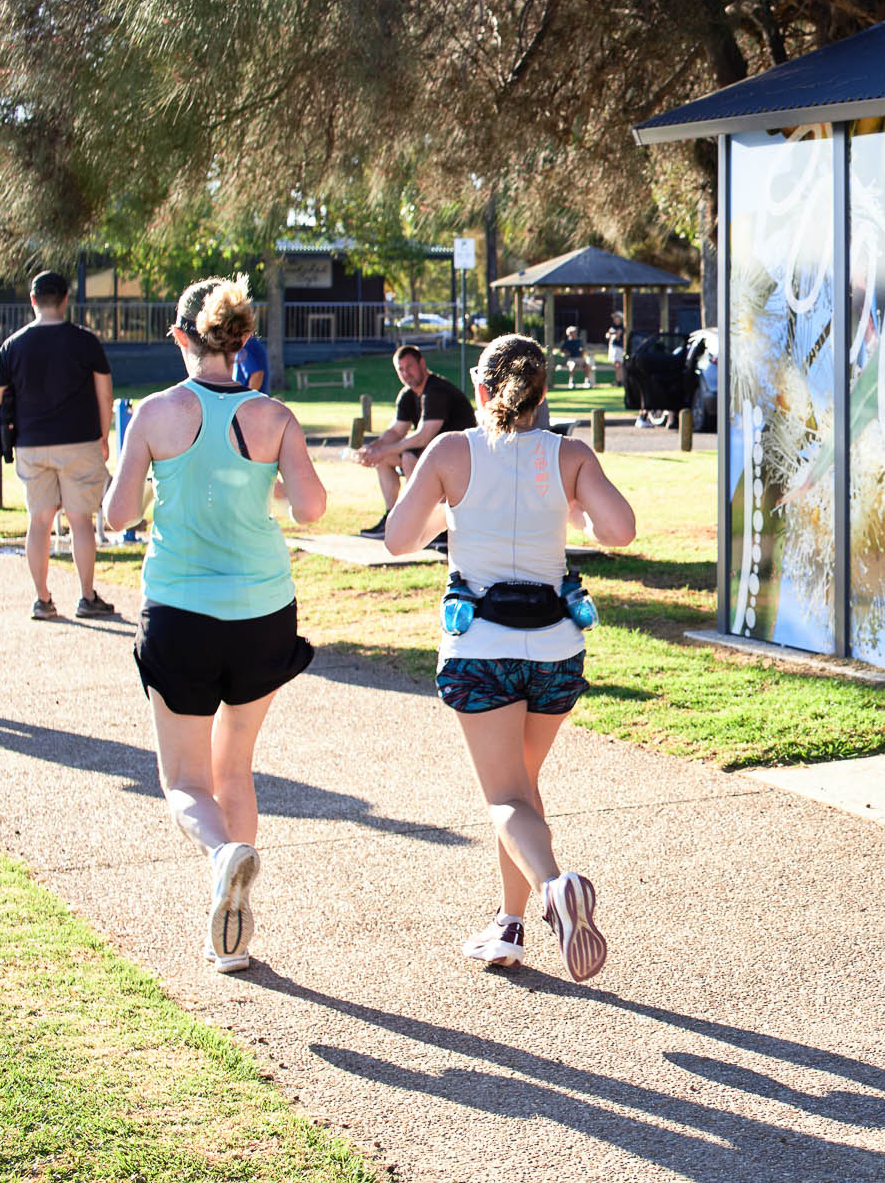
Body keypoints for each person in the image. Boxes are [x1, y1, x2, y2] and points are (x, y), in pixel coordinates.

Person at [383, 334, 635, 980]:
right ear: (542, 389)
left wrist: (447, 514)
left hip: (481, 648)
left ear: (482, 387)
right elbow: (620, 531)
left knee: (504, 797)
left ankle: (554, 887)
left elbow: (396, 539)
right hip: (556, 650)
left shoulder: (449, 450)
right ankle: (508, 924)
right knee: (523, 788)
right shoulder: (570, 453)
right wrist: (576, 515)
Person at [102, 277, 327, 973]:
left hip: (181, 613)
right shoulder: (275, 415)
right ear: (240, 340)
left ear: (182, 337)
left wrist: (153, 473)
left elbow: (116, 516)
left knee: (185, 783)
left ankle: (223, 855)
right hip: (263, 612)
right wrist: (263, 475)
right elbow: (312, 509)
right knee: (236, 769)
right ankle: (233, 933)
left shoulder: (156, 413)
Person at [0, 269, 115, 620]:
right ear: (65, 300)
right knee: (80, 521)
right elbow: (105, 394)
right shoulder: (85, 341)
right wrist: (103, 437)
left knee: (39, 521)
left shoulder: (12, 344)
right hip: (79, 441)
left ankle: (42, 599)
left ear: (32, 301)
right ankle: (87, 596)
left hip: (31, 444)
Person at [354, 344, 473, 539]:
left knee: (410, 458)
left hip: (461, 456)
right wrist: (373, 449)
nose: (405, 373)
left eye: (409, 366)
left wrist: (384, 449)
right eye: (400, 369)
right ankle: (393, 520)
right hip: (434, 454)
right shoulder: (407, 395)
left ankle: (424, 523)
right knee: (384, 460)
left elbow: (424, 436)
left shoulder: (436, 390)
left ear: (422, 364)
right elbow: (396, 431)